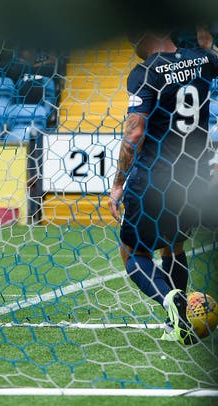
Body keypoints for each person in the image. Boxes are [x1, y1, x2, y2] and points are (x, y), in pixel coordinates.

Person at [107, 29, 218, 345]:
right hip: (192, 178)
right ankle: (178, 324)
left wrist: (117, 184)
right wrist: (208, 47)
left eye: (135, 40)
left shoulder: (145, 71)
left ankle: (169, 299)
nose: (134, 47)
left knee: (131, 253)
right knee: (174, 245)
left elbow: (134, 133)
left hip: (154, 177)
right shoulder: (202, 59)